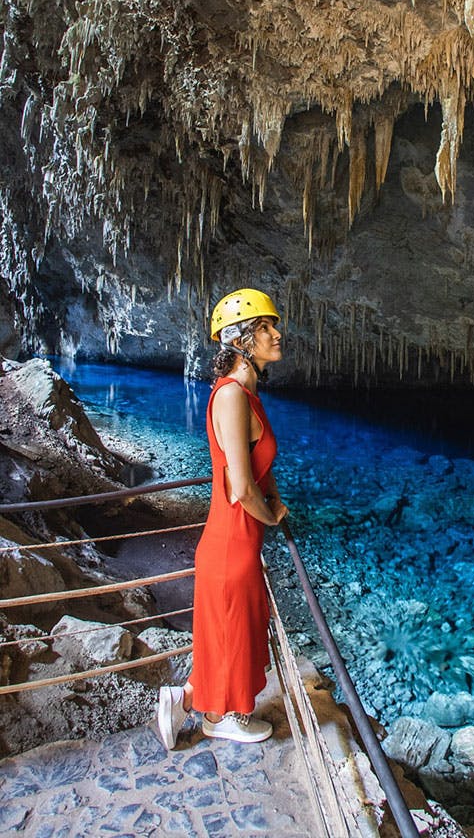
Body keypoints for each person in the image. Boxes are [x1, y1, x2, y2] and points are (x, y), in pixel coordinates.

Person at [157, 287, 289, 749]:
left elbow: (257, 465)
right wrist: (271, 517)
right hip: (232, 540)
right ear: (241, 342)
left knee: (229, 631)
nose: (277, 334)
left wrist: (271, 496)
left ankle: (187, 699)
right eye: (265, 328)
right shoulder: (232, 396)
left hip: (234, 540)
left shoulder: (247, 394)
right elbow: (239, 486)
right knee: (236, 632)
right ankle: (225, 718)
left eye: (273, 325)